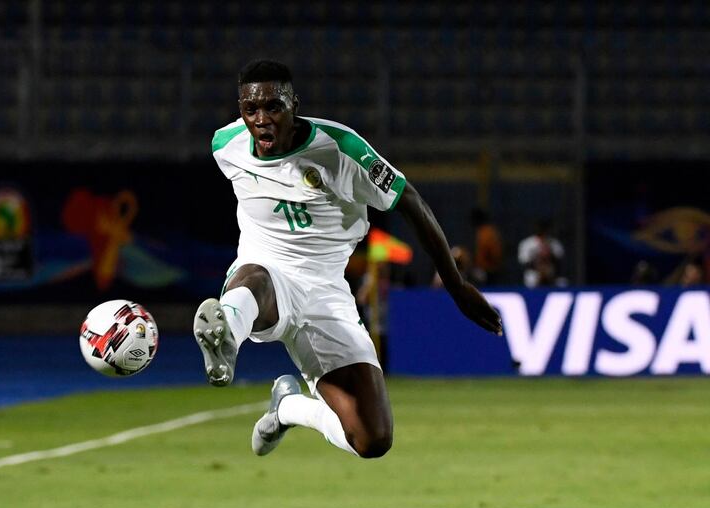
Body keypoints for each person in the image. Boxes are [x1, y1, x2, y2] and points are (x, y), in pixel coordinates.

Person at [193, 60, 502, 459]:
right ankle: (225, 338)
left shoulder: (341, 150)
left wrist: (456, 285)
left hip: (326, 291)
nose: (261, 119)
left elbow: (410, 201)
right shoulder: (226, 145)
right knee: (255, 278)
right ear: (240, 109)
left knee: (372, 439)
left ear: (294, 105)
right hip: (265, 272)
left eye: (273, 107)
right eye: (250, 109)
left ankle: (287, 407)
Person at [517, 218, 566, 288]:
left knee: (562, 282)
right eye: (540, 230)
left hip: (552, 274)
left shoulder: (554, 243)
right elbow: (523, 263)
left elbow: (560, 263)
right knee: (531, 278)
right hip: (534, 273)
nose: (542, 232)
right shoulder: (527, 243)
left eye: (544, 230)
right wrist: (538, 259)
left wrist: (549, 255)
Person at [470, 208, 503, 285]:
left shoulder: (486, 233)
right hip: (488, 270)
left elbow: (493, 253)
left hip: (488, 271)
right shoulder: (487, 231)